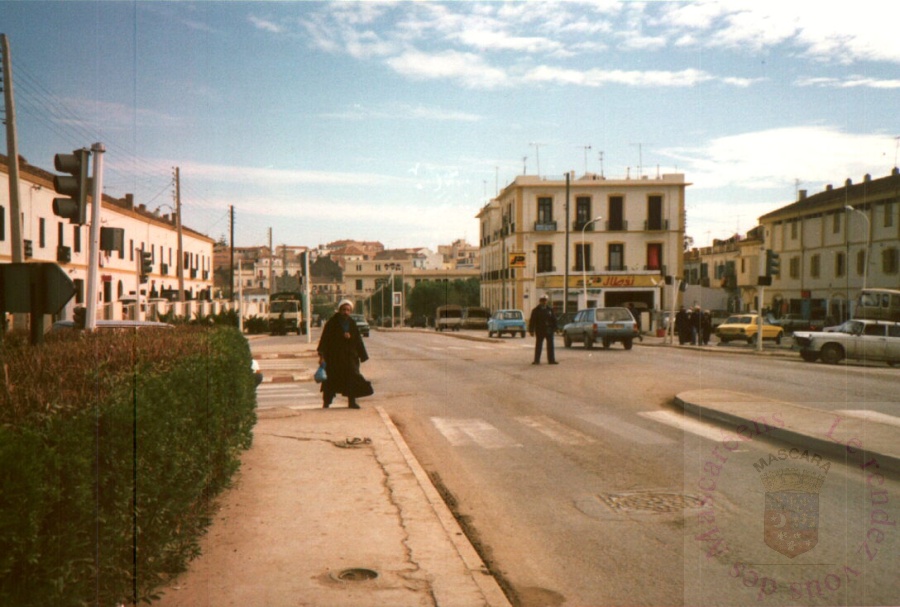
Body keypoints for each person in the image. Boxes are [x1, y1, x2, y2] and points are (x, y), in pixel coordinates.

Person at [317, 299, 370, 409]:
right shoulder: (332, 323)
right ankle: (326, 402)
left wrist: (362, 355)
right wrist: (322, 356)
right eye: (344, 309)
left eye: (348, 310)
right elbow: (325, 340)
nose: (346, 312)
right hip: (334, 358)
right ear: (340, 310)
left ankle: (352, 402)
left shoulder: (351, 323)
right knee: (331, 380)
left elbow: (358, 340)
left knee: (352, 378)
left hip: (350, 357)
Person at [528, 296, 558, 364]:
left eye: (545, 301)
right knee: (539, 345)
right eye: (542, 301)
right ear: (540, 301)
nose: (544, 302)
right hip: (540, 330)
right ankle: (536, 360)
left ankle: (551, 360)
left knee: (550, 346)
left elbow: (554, 319)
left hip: (549, 330)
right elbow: (532, 321)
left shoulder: (550, 310)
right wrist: (531, 330)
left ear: (546, 301)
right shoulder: (536, 310)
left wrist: (555, 328)